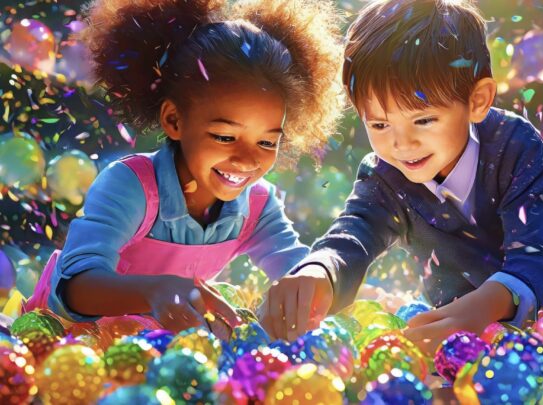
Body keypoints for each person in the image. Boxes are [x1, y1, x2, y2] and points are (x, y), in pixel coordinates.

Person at [261, 0, 543, 354]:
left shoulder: (512, 145)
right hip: (471, 337)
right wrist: (319, 270)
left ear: (477, 101)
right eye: (379, 123)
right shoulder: (385, 177)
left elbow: (535, 250)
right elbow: (354, 232)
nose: (402, 143)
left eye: (423, 119)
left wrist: (488, 304)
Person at [25, 0, 344, 336]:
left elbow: (296, 267)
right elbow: (74, 286)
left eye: (267, 142)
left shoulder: (258, 206)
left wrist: (317, 280)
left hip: (160, 361)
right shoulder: (132, 185)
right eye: (224, 136)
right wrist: (153, 291)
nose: (248, 160)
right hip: (63, 346)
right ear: (174, 120)